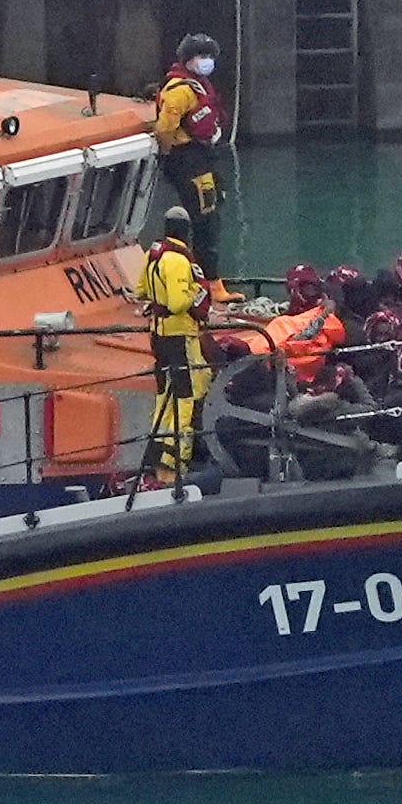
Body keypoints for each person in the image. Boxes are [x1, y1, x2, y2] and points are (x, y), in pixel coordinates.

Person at [135, 208, 209, 481]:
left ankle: (155, 458)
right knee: (186, 398)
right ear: (186, 232)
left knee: (162, 396)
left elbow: (140, 290)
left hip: (158, 335)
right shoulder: (178, 261)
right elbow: (179, 303)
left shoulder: (151, 255)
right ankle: (175, 465)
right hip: (180, 335)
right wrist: (195, 292)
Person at [151, 34, 228, 274]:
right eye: (201, 56)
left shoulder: (200, 85)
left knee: (211, 214)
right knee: (204, 220)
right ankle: (208, 278)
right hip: (186, 158)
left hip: (203, 156)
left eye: (210, 56)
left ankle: (208, 275)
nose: (207, 61)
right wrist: (167, 154)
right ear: (187, 60)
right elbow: (164, 128)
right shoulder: (180, 90)